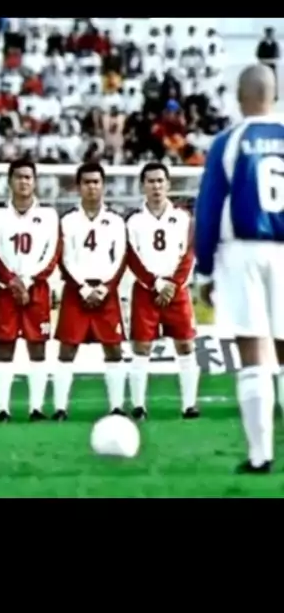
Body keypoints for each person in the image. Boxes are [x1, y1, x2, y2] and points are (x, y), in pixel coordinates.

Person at [195, 62, 284, 474]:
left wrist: (205, 270)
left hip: (243, 251)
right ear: (274, 95)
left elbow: (209, 210)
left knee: (253, 351)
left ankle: (260, 455)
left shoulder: (229, 142)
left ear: (238, 96)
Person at [126, 162, 200, 420]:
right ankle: (139, 406)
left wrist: (173, 284)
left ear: (168, 184)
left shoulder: (183, 218)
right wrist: (155, 282)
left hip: (177, 291)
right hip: (146, 291)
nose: (156, 186)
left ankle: (189, 405)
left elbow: (189, 254)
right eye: (150, 181)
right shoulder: (134, 221)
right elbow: (131, 258)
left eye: (160, 181)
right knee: (141, 346)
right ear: (142, 186)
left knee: (185, 344)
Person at [54, 162, 127, 419]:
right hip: (77, 290)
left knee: (113, 348)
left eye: (96, 182)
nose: (92, 187)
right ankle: (60, 408)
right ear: (78, 187)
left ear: (103, 186)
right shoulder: (68, 220)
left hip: (106, 291)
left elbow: (120, 258)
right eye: (87, 182)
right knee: (67, 349)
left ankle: (116, 406)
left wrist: (105, 288)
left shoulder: (116, 221)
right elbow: (64, 258)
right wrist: (83, 288)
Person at [0, 158, 60, 421]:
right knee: (5, 346)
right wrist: (12, 281)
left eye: (28, 177)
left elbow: (52, 253)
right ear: (10, 181)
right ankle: (2, 408)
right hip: (6, 290)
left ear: (35, 181)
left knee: (37, 347)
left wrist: (29, 281)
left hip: (37, 289)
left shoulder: (49, 216)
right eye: (19, 177)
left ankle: (36, 408)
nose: (24, 182)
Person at [256, 28, 280, 100]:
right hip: (263, 65)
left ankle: (274, 95)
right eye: (268, 33)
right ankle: (262, 95)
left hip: (272, 65)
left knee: (273, 81)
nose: (269, 35)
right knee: (263, 81)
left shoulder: (275, 44)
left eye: (270, 34)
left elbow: (277, 55)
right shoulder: (262, 44)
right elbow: (258, 54)